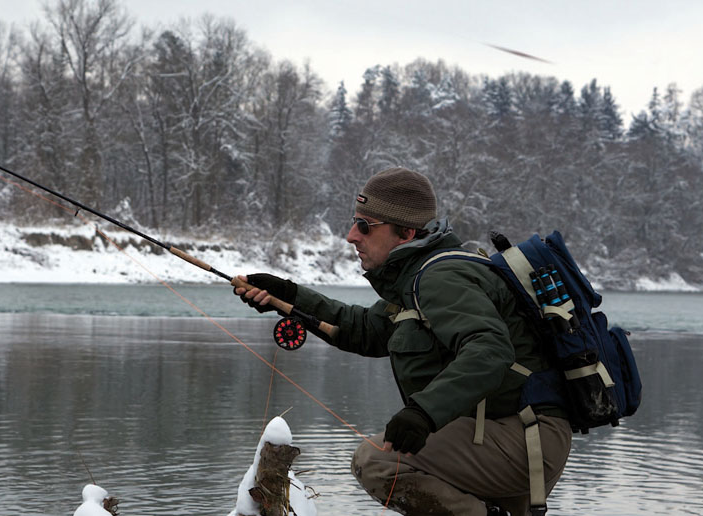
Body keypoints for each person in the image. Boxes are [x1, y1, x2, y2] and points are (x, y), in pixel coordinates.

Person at [234, 167, 572, 516]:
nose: (352, 235)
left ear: (406, 232)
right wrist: (289, 296)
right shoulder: (416, 279)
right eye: (355, 221)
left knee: (377, 463)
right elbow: (363, 329)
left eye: (365, 225)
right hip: (506, 436)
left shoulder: (441, 277)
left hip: (522, 437)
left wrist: (423, 413)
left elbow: (490, 349)